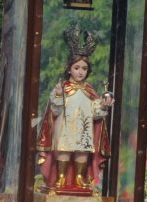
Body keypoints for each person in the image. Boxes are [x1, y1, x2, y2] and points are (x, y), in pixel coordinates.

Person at [35, 26, 112, 190]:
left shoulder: (89, 90)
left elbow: (95, 113)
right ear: (69, 69)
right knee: (64, 150)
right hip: (65, 128)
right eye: (77, 68)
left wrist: (103, 106)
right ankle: (61, 177)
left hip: (84, 129)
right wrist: (57, 96)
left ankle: (79, 178)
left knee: (82, 152)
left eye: (84, 68)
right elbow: (54, 110)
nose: (80, 72)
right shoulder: (63, 88)